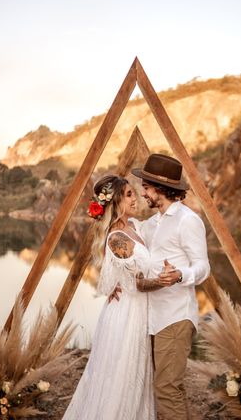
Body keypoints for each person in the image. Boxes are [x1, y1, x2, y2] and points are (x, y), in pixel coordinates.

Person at [62, 174, 171, 420]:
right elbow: (138, 283)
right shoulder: (117, 238)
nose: (135, 199)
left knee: (136, 376)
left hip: (138, 311)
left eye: (134, 193)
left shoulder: (134, 227)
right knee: (121, 377)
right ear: (116, 202)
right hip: (126, 316)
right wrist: (163, 281)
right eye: (129, 195)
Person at [131, 153, 211, 420]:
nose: (143, 192)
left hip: (175, 317)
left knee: (166, 388)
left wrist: (179, 275)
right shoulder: (150, 224)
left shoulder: (188, 221)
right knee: (160, 387)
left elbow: (203, 267)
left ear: (160, 189)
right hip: (150, 316)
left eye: (146, 187)